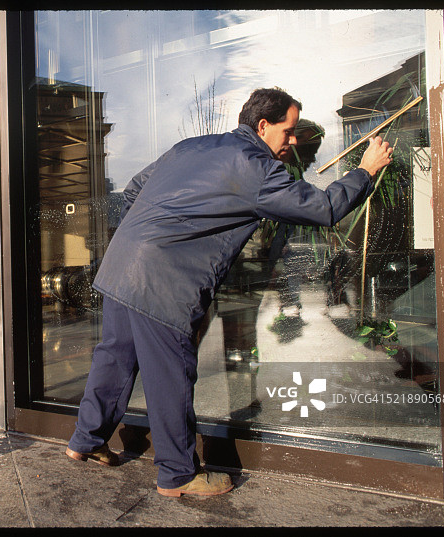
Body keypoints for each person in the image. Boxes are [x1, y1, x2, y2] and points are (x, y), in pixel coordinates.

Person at [64, 87, 394, 497]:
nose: (292, 141)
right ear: (262, 125)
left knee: (114, 357)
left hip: (120, 267)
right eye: (288, 131)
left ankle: (86, 441)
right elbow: (322, 208)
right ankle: (178, 474)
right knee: (170, 374)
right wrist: (365, 170)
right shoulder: (255, 167)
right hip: (163, 282)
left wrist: (151, 234)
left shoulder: (190, 146)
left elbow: (133, 191)